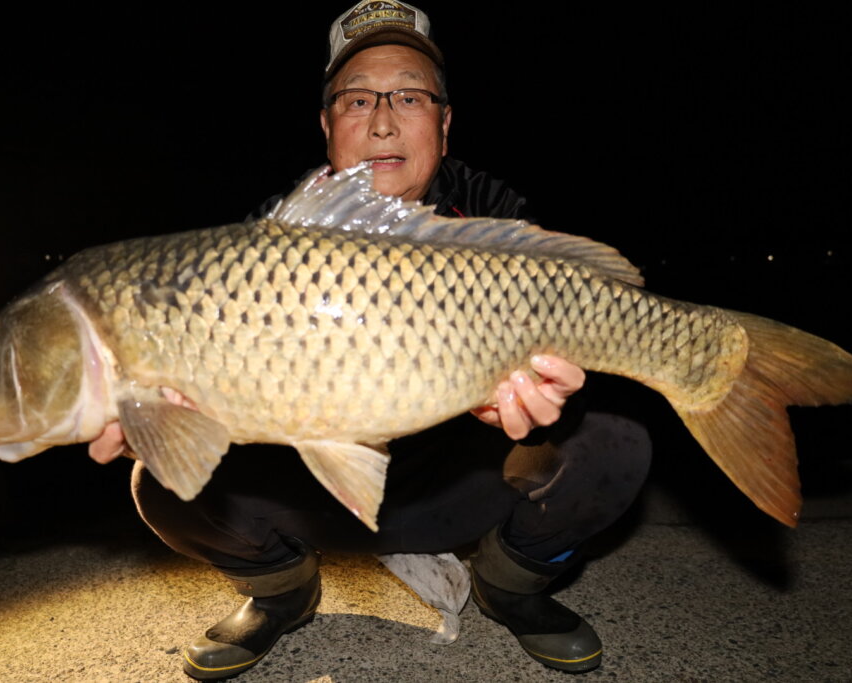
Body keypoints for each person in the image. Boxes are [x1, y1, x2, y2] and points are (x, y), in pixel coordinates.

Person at [89, 2, 650, 678]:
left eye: (409, 95)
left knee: (615, 444)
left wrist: (541, 397)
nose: (382, 119)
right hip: (324, 496)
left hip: (459, 486)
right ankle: (281, 592)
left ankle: (512, 584)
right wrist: (172, 408)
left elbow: (568, 341)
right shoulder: (271, 237)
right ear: (328, 126)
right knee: (161, 478)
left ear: (443, 123)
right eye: (357, 99)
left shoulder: (491, 209)